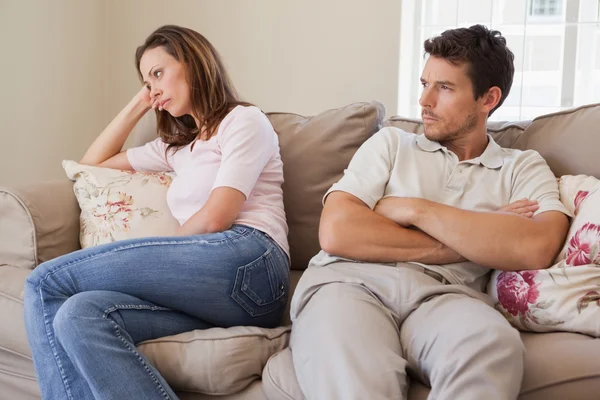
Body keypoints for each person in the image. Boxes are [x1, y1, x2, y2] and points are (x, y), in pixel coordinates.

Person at [288, 24, 570, 400]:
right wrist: (480, 235)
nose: (425, 101)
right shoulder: (390, 144)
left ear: (488, 98)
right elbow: (338, 231)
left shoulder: (522, 167)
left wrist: (412, 209)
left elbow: (537, 245)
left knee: (493, 346)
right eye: (425, 84)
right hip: (350, 285)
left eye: (445, 88)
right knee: (358, 378)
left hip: (447, 298)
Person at [24, 25, 290, 400]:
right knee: (78, 315)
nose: (153, 89)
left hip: (251, 262)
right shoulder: (176, 150)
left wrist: (156, 251)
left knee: (44, 284)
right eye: (146, 82)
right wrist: (141, 101)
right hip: (208, 291)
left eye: (159, 73)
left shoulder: (244, 121)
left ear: (193, 63)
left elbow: (218, 217)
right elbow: (91, 164)